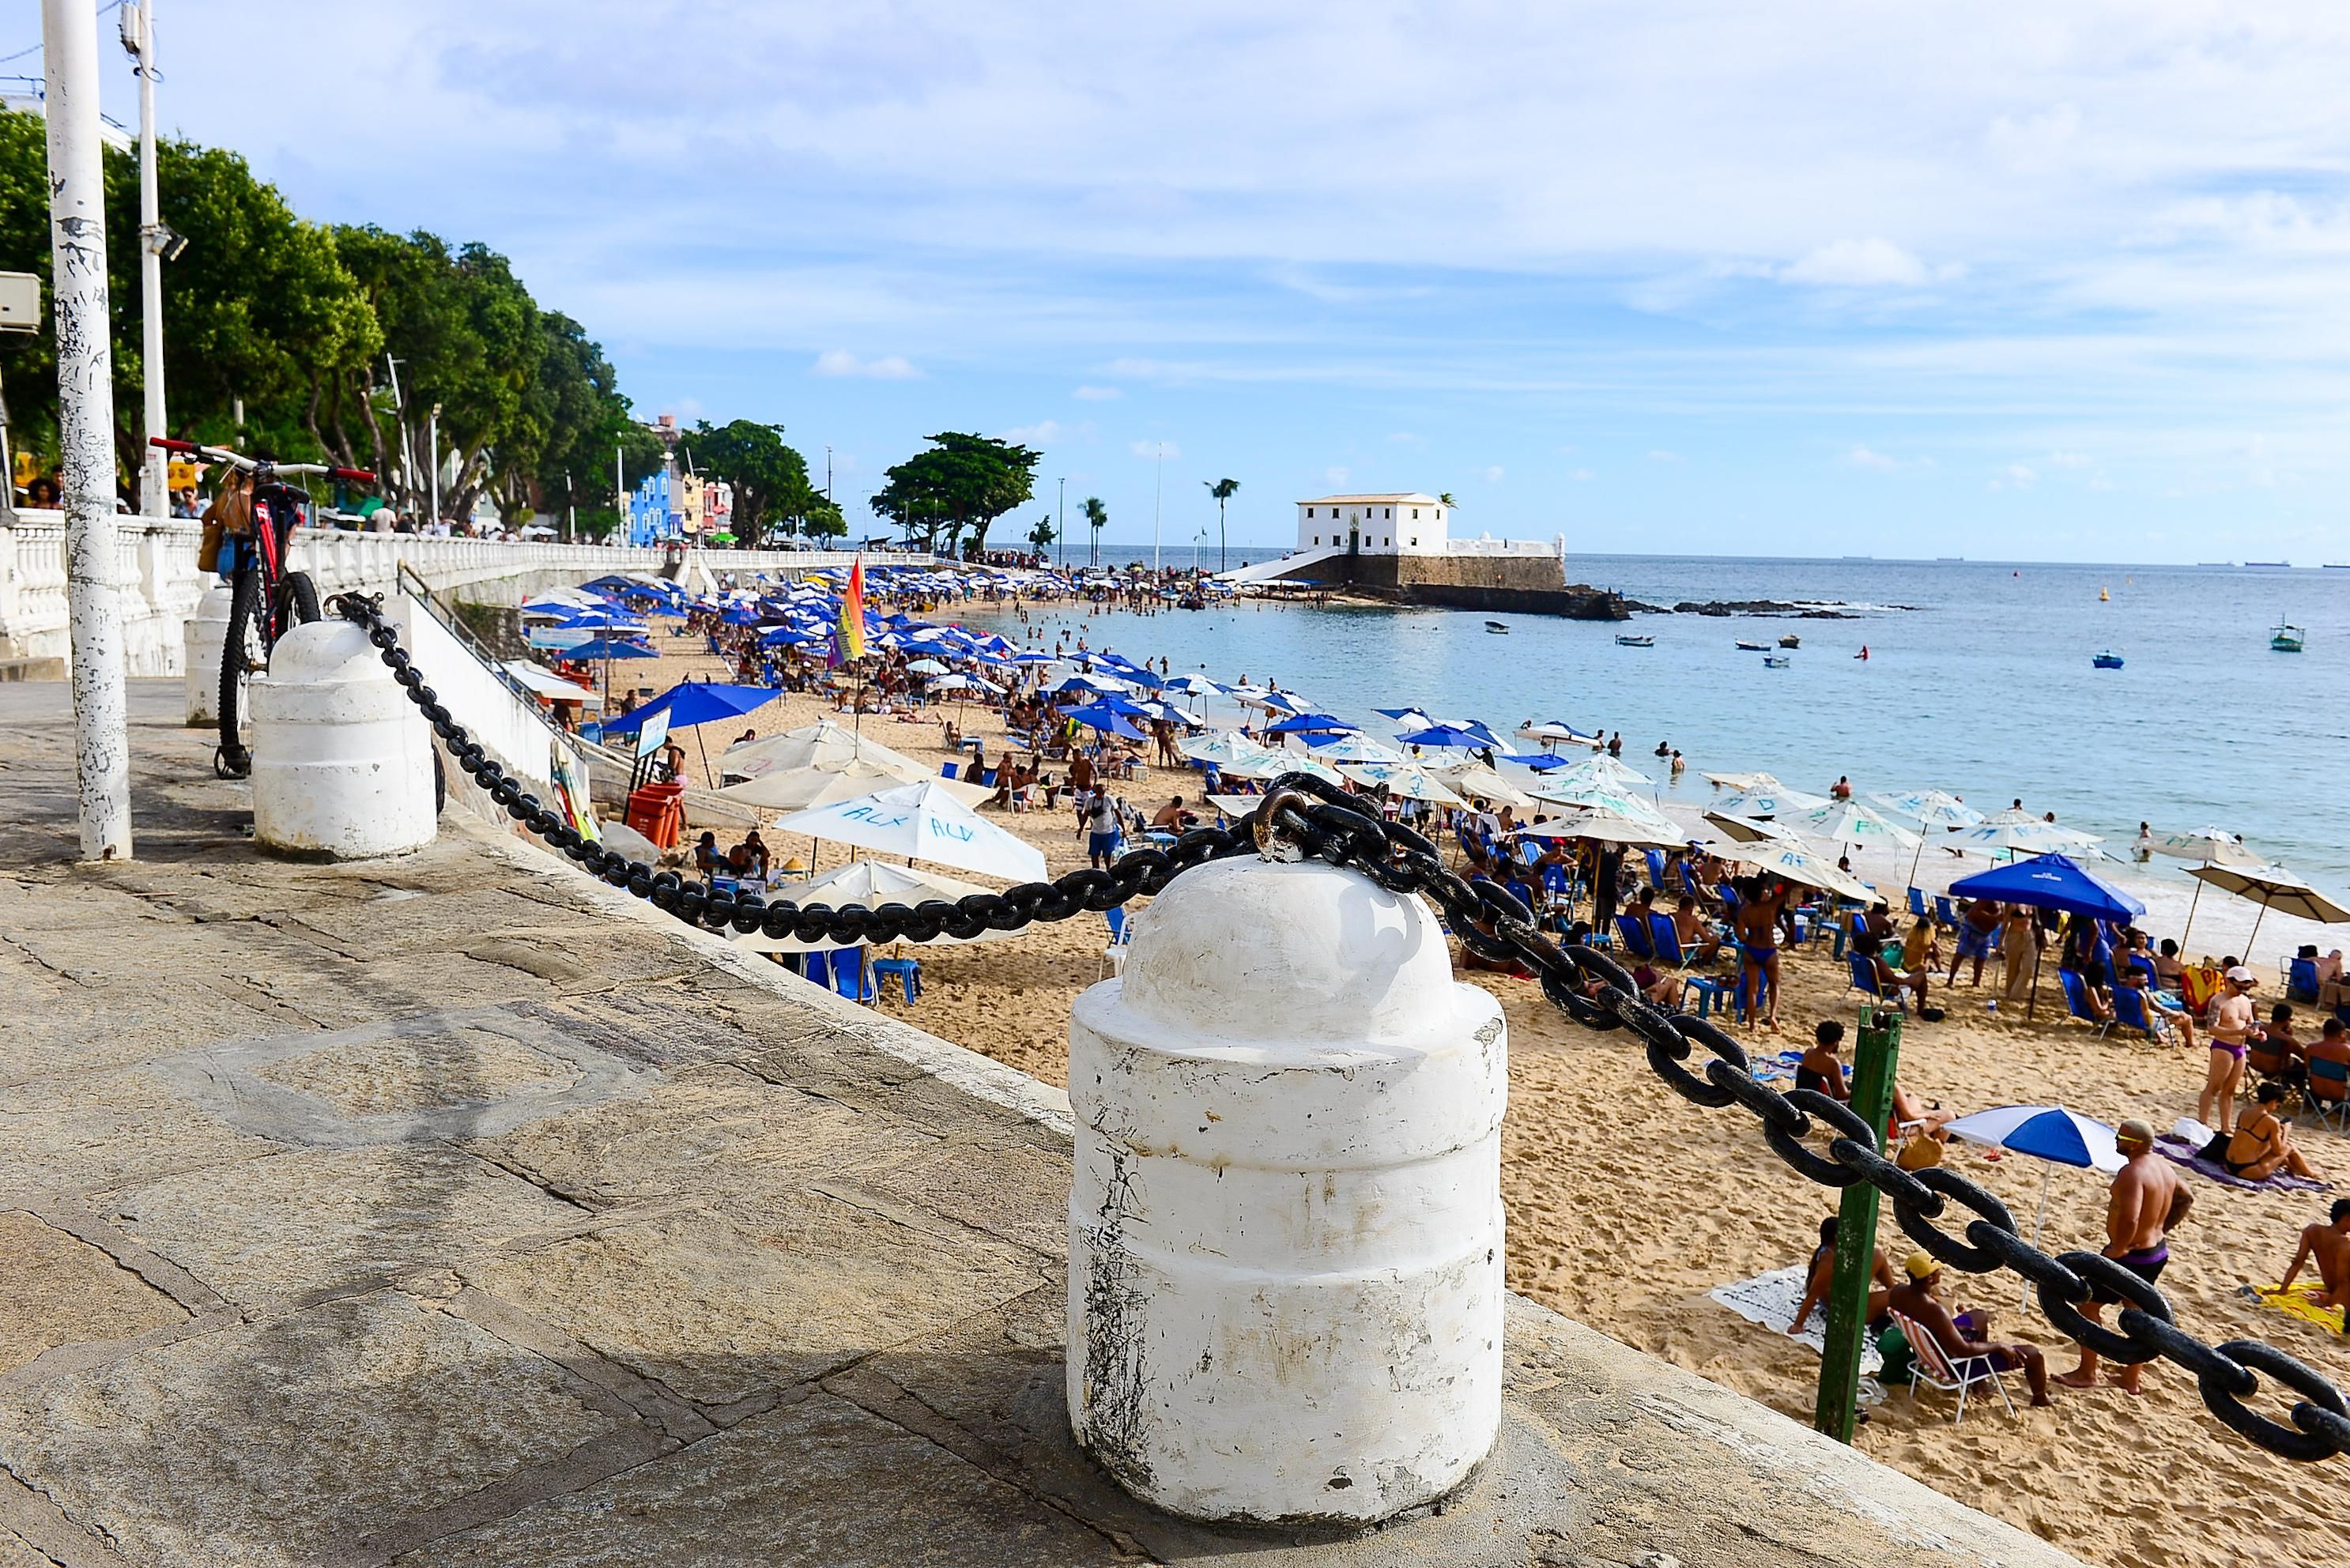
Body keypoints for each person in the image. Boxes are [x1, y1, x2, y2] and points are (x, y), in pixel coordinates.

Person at [2055, 1118, 2188, 1395]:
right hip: (2155, 1251)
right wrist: (2162, 1228)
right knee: (2136, 1310)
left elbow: (2130, 1217)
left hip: (2131, 1255)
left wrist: (2120, 1247)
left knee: (2088, 1306)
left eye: (2121, 1137)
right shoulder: (2164, 1167)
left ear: (2135, 1144)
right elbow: (2185, 1197)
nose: (2116, 1140)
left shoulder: (2132, 1173)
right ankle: (2131, 1379)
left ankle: (2087, 1373)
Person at [1888, 1252, 2053, 1407]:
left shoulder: (1898, 1292)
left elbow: (1927, 1318)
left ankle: (1980, 1384)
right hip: (1954, 1366)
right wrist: (1999, 1346)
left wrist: (1948, 1323)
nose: (1941, 1272)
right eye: (1938, 1270)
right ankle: (2040, 1399)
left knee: (1981, 1316)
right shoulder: (1936, 1312)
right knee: (2034, 1355)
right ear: (1930, 1279)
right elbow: (1964, 1350)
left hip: (1931, 1352)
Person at [1788, 1215, 1898, 1336]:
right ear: (1837, 1237)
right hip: (1846, 1310)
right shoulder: (1827, 1264)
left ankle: (1893, 1293)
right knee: (1898, 1295)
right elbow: (1813, 1295)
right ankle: (1890, 1306)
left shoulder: (1833, 1250)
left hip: (1846, 1295)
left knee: (1878, 1255)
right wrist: (1798, 1325)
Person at [2200, 966, 2263, 1130]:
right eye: (2239, 987)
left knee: (2230, 1091)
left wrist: (2257, 1033)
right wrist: (2240, 1032)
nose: (2242, 991)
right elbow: (2212, 1028)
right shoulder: (2218, 1001)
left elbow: (2250, 1023)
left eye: (2246, 987)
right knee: (2213, 1087)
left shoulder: (2245, 1001)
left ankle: (2226, 1127)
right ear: (2229, 981)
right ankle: (2202, 1123)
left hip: (2240, 1048)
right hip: (2223, 1046)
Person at [2219, 1083, 2322, 1182]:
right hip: (2249, 1170)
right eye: (2278, 1105)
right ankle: (2309, 1173)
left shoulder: (2244, 1112)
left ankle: (2292, 1168)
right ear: (2273, 1101)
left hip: (2229, 1165)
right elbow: (2278, 1152)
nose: (2276, 1108)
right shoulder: (2272, 1121)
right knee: (2289, 1147)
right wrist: (2286, 1131)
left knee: (2268, 1143)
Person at [2269, 1198, 2350, 1324]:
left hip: (2331, 1288)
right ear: (2346, 1219)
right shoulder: (2345, 1245)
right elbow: (2344, 1282)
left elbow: (2298, 1261)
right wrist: (2328, 1303)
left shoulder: (2312, 1230)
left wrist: (2283, 1289)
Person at [1733, 876, 1792, 1030]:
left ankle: (1752, 1025)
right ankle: (1772, 1016)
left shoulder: (1744, 912)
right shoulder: (1770, 907)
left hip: (1752, 950)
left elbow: (1741, 936)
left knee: (1752, 990)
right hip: (1768, 950)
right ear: (1760, 893)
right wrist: (1789, 880)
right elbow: (1785, 892)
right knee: (1774, 984)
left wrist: (1748, 938)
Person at [1797, 1020, 1848, 1099]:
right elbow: (1842, 1095)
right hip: (1822, 1103)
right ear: (1836, 1042)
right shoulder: (1833, 1063)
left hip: (1803, 1098)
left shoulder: (1808, 1053)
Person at [1082, 786, 1122, 869]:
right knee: (1094, 854)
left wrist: (1123, 828)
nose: (1100, 795)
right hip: (1095, 832)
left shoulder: (1109, 800)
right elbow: (1085, 815)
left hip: (1109, 832)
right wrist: (1080, 828)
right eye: (1098, 793)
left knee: (1107, 854)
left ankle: (1108, 869)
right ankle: (1096, 871)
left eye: (1102, 794)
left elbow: (1118, 814)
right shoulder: (1090, 801)